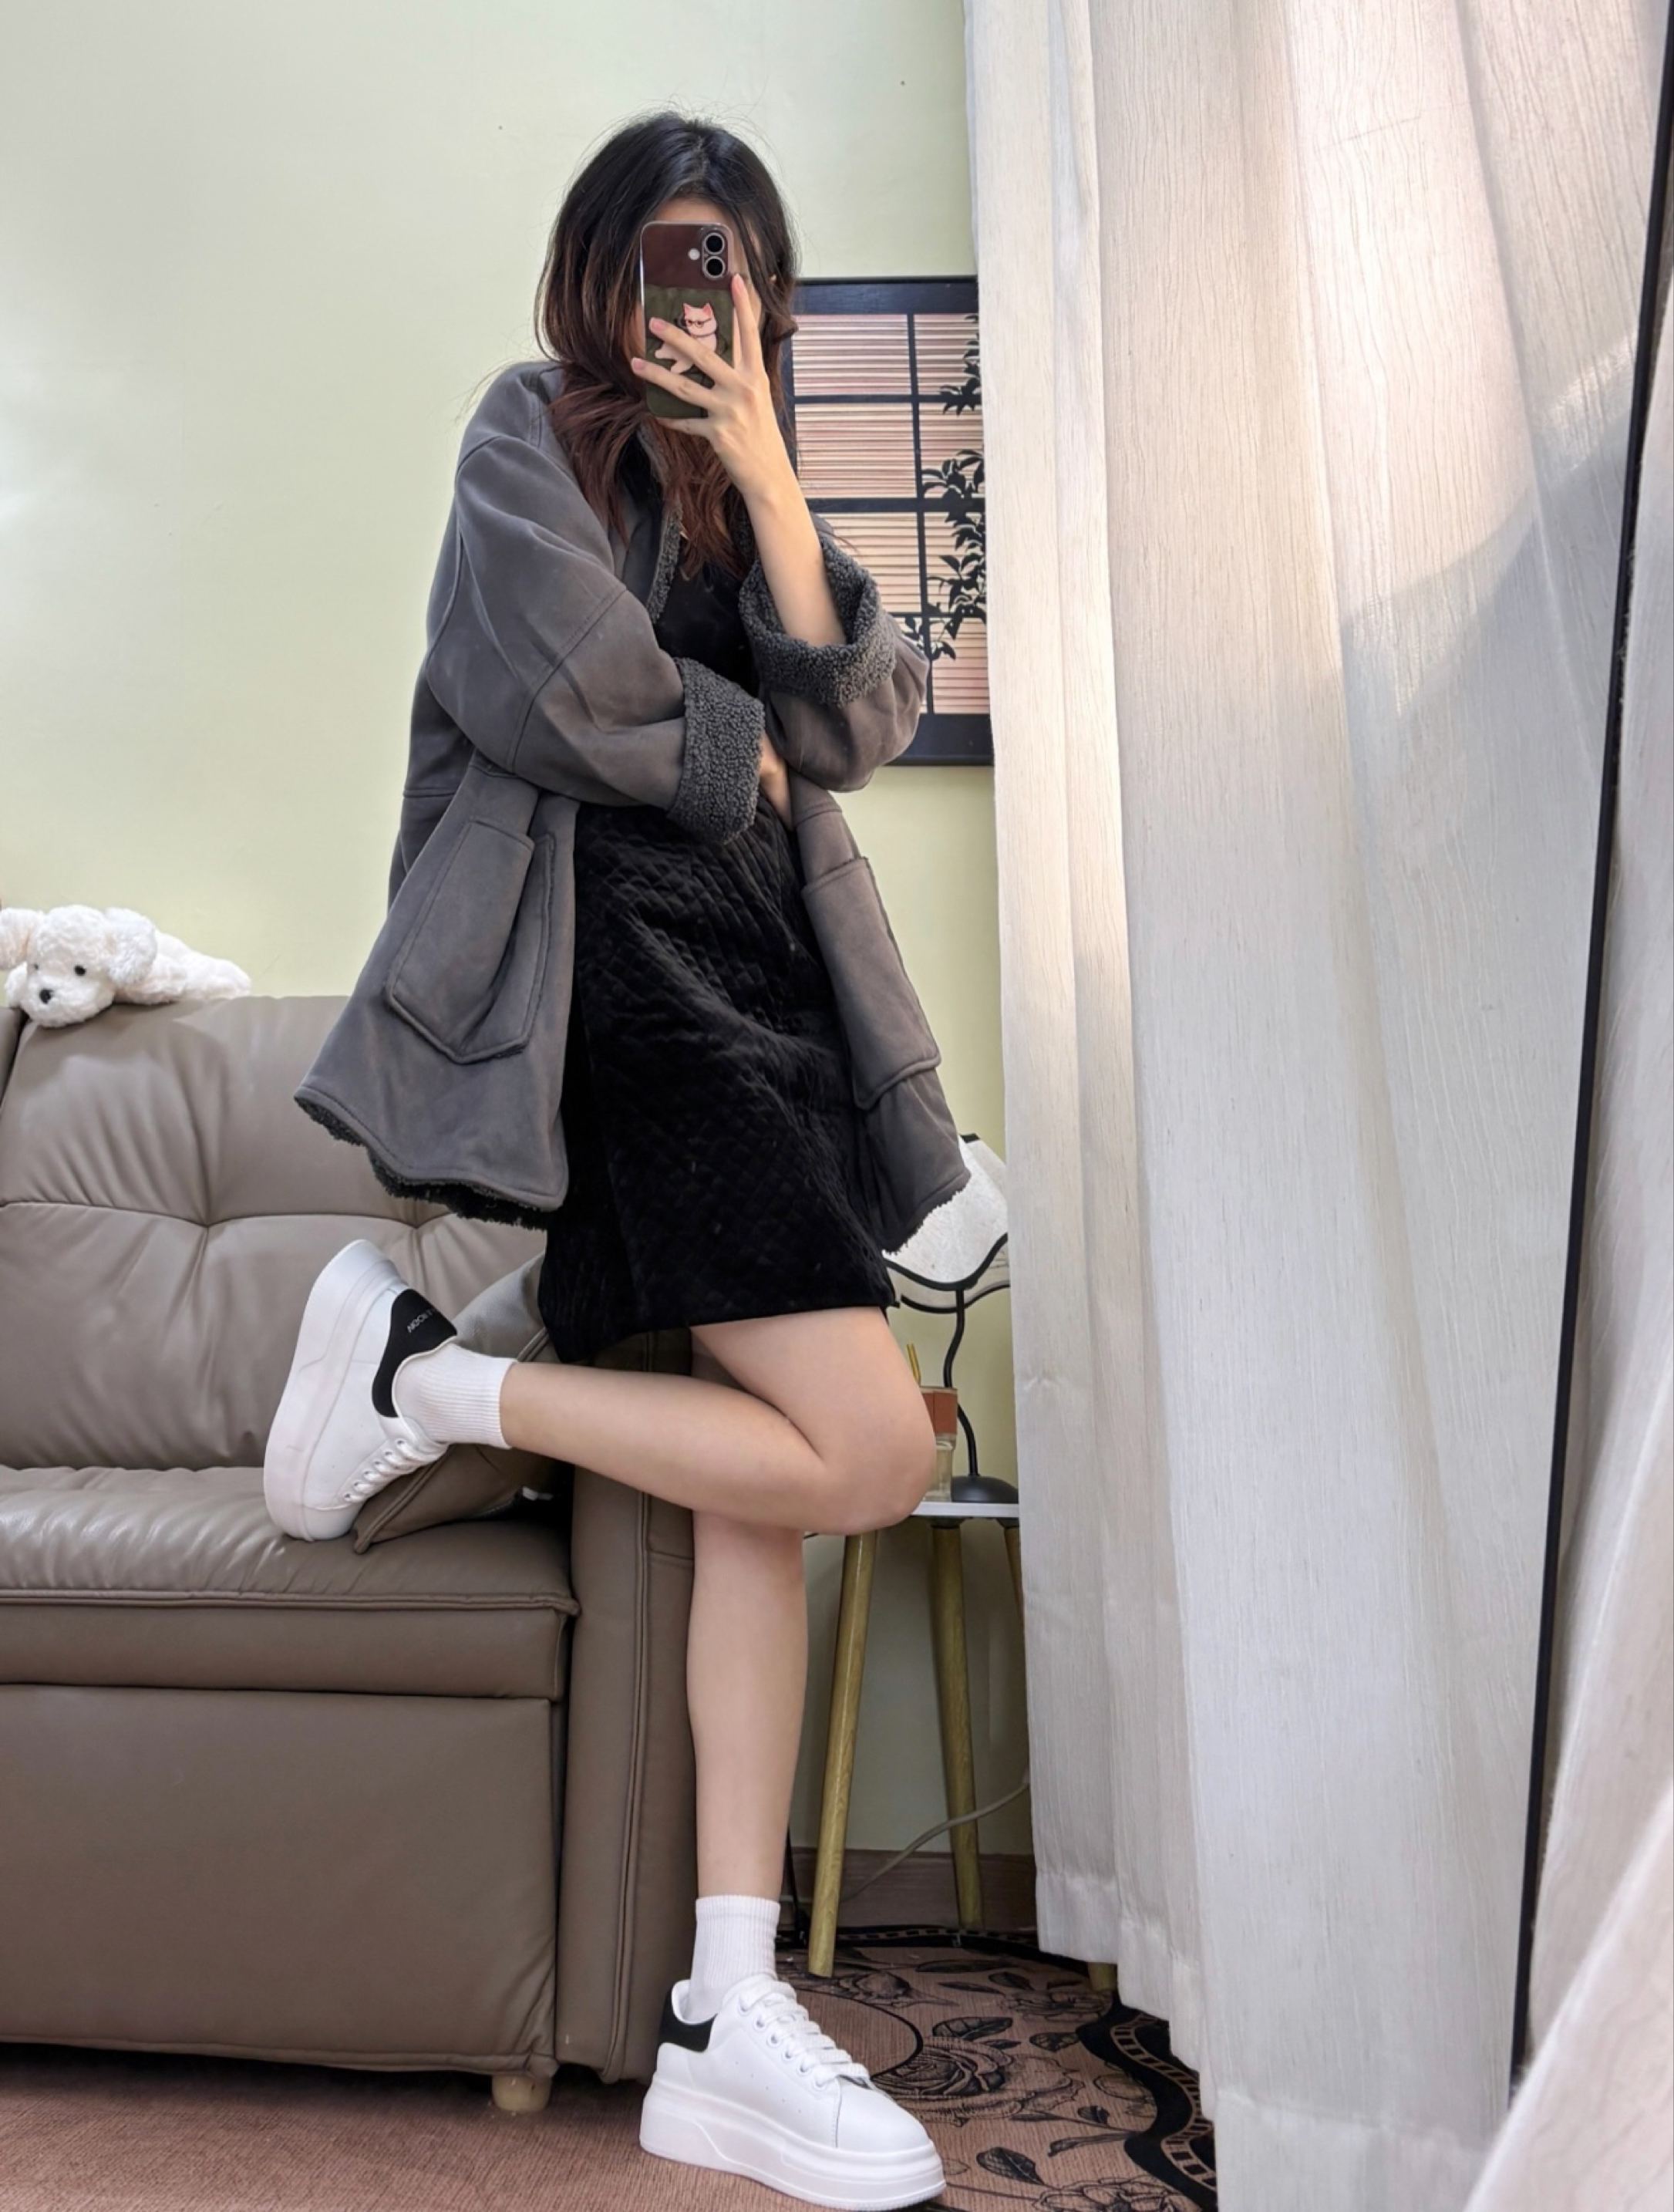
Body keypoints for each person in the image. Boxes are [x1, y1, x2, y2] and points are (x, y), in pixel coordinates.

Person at [262, 113, 962, 2212]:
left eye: (731, 263)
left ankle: (721, 2009)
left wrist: (769, 468)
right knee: (873, 1446)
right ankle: (433, 1381)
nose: (699, 295)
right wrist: (743, 751)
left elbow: (859, 722)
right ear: (600, 267)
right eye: (669, 255)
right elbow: (561, 685)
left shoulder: (747, 485)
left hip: (771, 1004)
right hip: (625, 987)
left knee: (762, 1487)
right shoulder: (528, 432)